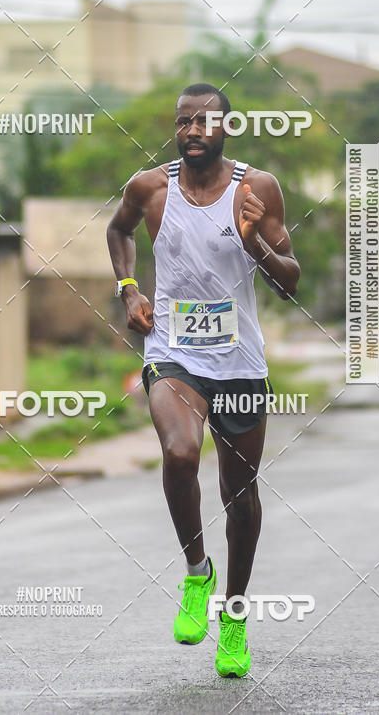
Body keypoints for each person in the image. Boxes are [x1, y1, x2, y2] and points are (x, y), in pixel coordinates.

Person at [106, 83, 300, 677]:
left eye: (205, 121)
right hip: (174, 353)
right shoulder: (150, 187)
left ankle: (234, 618)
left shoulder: (257, 190)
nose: (192, 130)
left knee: (239, 501)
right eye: (183, 120)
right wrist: (129, 288)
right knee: (180, 450)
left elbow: (290, 280)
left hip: (240, 362)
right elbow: (118, 233)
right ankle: (197, 573)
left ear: (226, 129)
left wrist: (253, 243)